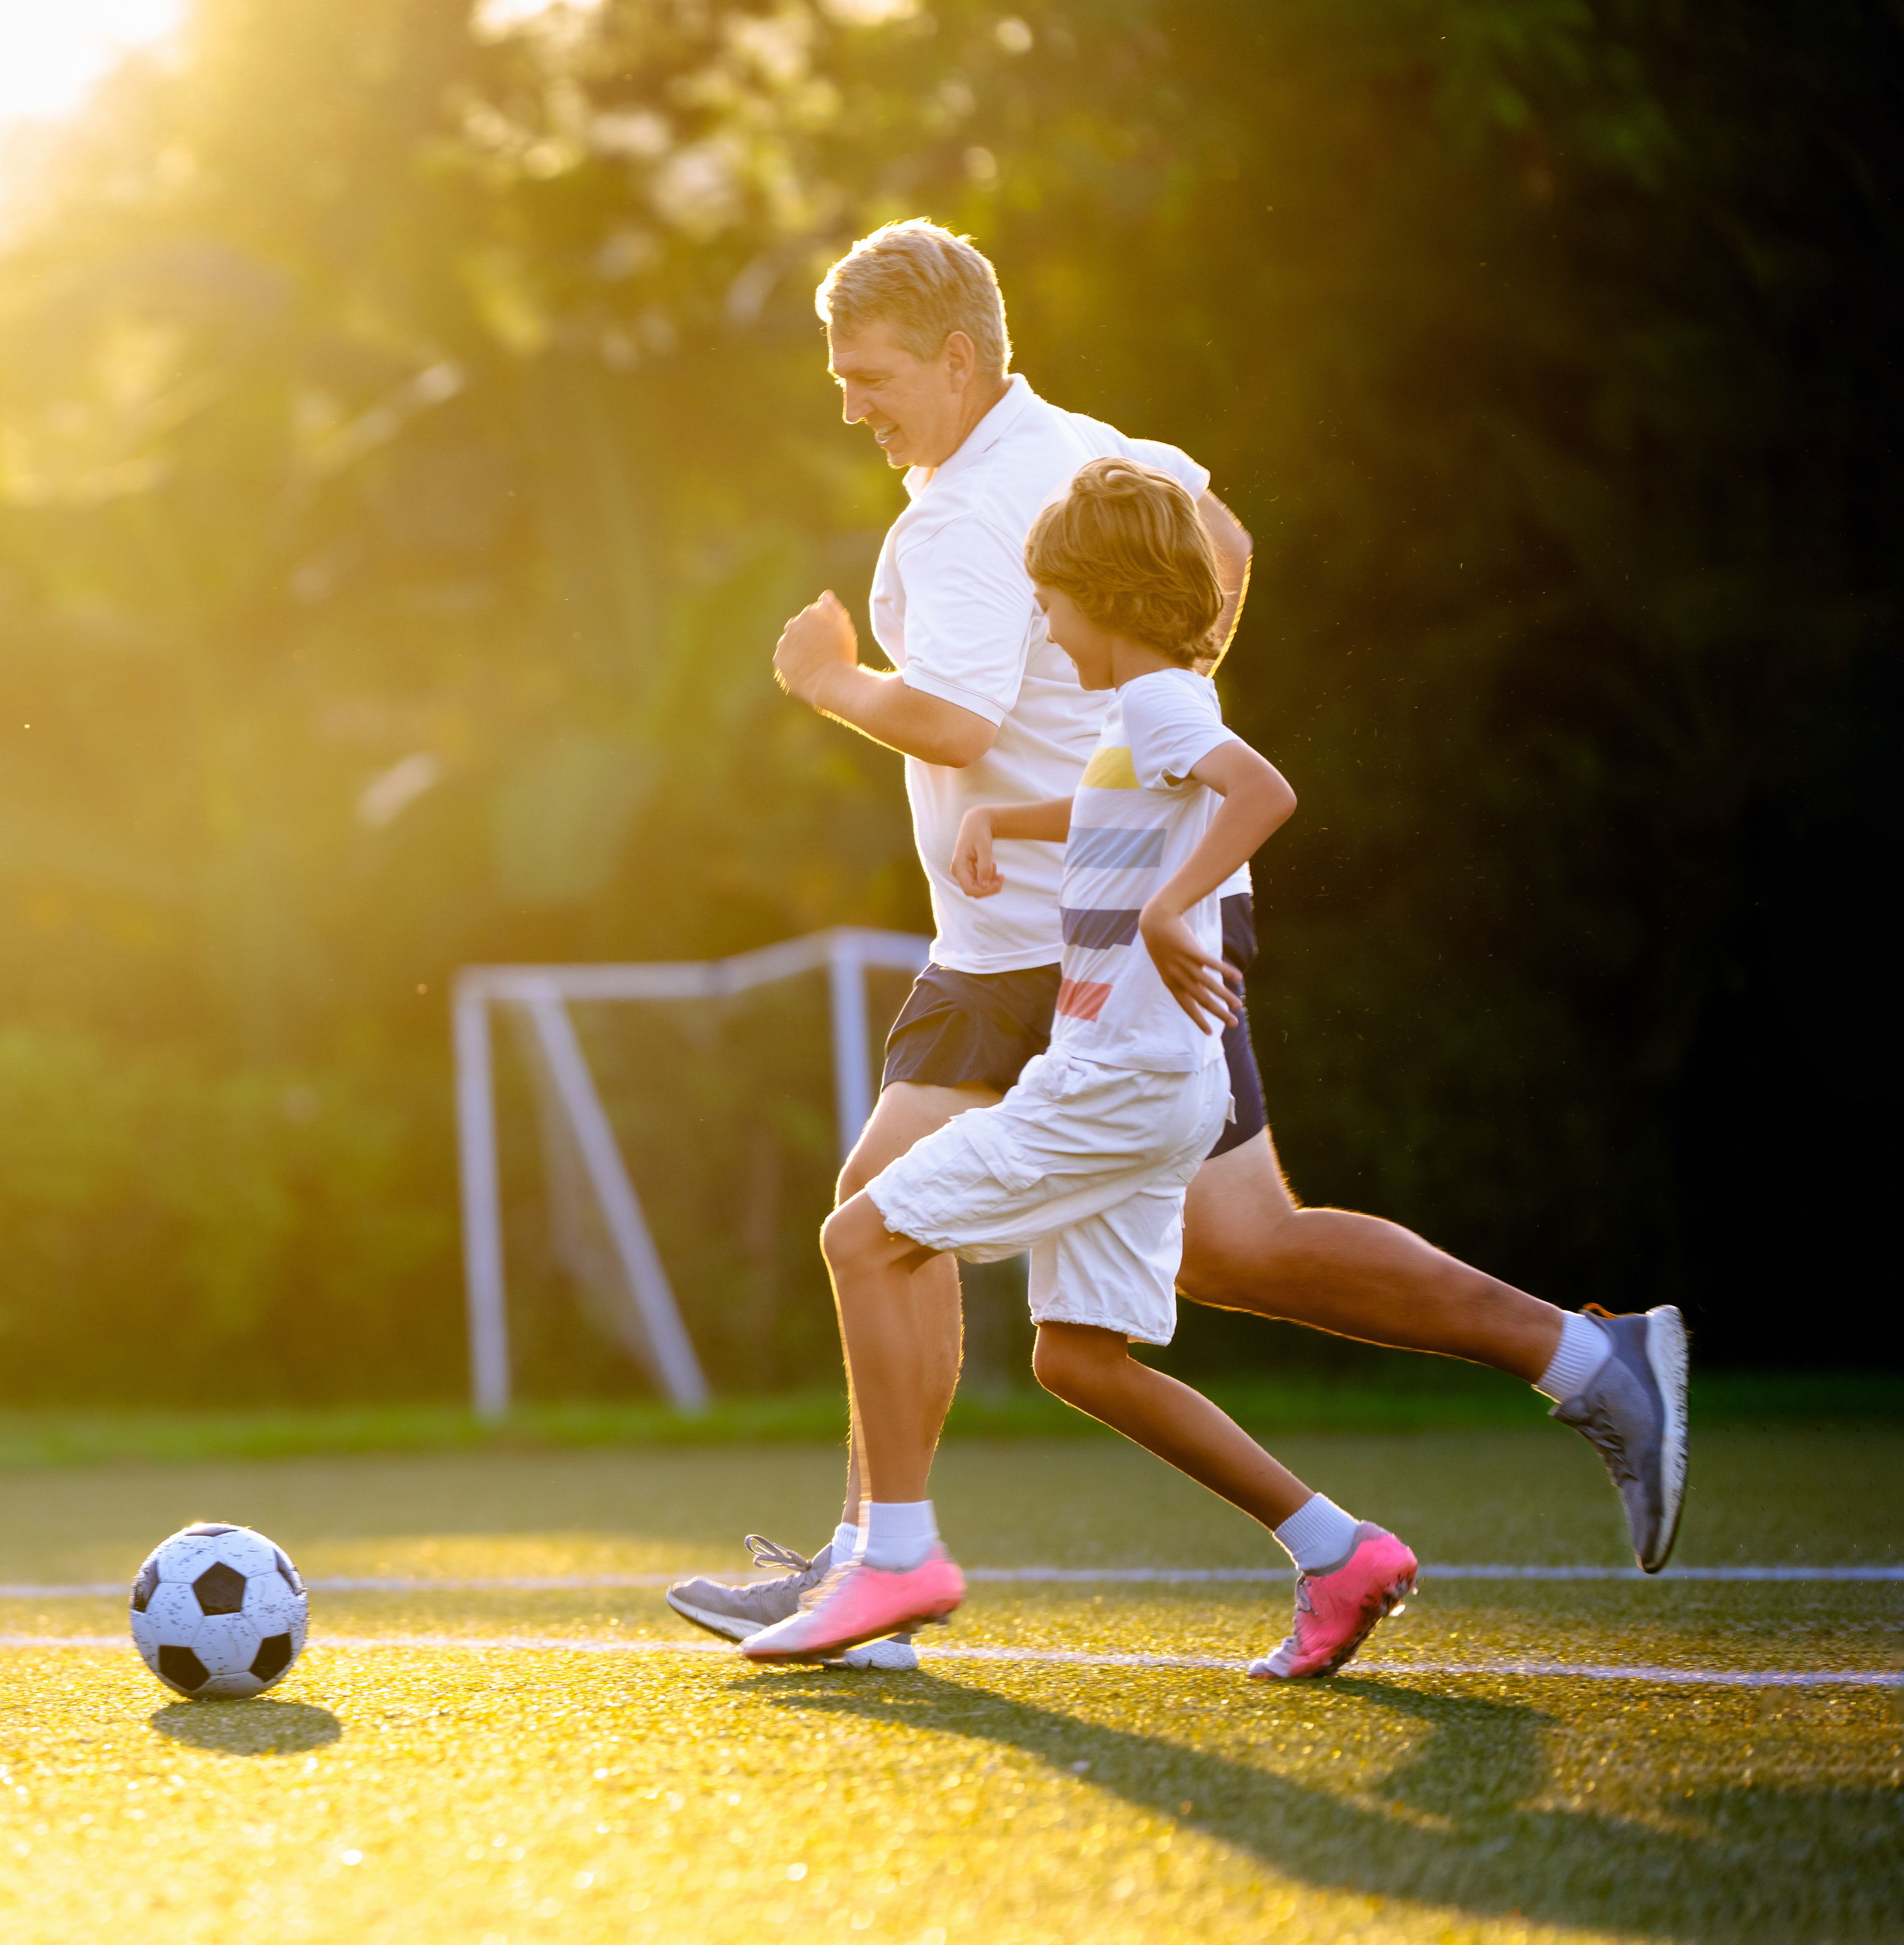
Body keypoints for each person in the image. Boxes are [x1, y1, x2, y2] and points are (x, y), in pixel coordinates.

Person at [666, 220, 1685, 1661]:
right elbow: (1227, 547)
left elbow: (950, 718)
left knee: (894, 1222)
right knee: (1222, 1246)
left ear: (958, 358)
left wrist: (828, 679)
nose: (852, 404)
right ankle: (1586, 1362)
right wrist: (1157, 737)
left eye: (872, 374)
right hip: (1057, 924)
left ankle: (881, 1569)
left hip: (1048, 948)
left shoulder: (961, 515)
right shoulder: (1088, 442)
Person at [744, 458, 1412, 1676]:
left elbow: (1261, 791)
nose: (1045, 628)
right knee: (1077, 1358)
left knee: (860, 1237)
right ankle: (1338, 1550)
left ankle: (893, 1559)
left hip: (1113, 1083)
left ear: (1101, 599)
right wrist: (1010, 817)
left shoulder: (1163, 704)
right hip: (1155, 1084)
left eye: (1052, 604)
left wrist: (1171, 908)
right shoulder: (1141, 714)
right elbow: (1131, 801)